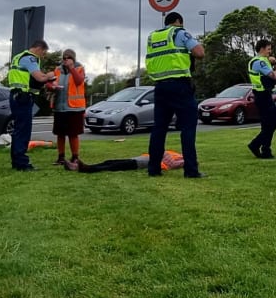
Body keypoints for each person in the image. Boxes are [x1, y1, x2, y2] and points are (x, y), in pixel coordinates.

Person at [146, 11, 205, 178]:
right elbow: (200, 53)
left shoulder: (152, 37)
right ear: (179, 21)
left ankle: (154, 169)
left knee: (159, 128)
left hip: (160, 87)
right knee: (188, 128)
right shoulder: (179, 33)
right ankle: (191, 171)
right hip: (180, 86)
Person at [7, 39, 57, 171]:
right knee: (23, 131)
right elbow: (39, 77)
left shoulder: (19, 57)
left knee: (18, 130)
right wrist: (50, 75)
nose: (44, 56)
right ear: (39, 49)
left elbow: (33, 80)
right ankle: (21, 163)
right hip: (22, 97)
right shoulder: (29, 59)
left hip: (17, 96)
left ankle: (17, 160)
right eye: (44, 53)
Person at [48, 48, 87, 166]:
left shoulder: (79, 68)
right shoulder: (57, 70)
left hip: (74, 108)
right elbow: (50, 83)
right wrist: (51, 86)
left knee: (73, 134)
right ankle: (61, 157)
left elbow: (79, 81)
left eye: (68, 58)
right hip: (60, 107)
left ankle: (75, 157)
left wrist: (71, 68)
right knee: (60, 133)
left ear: (73, 59)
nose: (65, 60)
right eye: (64, 58)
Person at [246, 39, 276, 159]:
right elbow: (274, 76)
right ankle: (256, 145)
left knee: (268, 124)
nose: (270, 52)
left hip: (265, 94)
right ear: (261, 48)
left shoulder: (265, 61)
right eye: (268, 49)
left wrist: (275, 62)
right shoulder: (259, 62)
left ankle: (266, 150)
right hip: (262, 95)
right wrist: (273, 70)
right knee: (273, 122)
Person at [64, 150, 184, 173]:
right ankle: (76, 166)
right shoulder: (174, 153)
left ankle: (86, 168)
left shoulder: (172, 159)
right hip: (134, 159)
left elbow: (175, 164)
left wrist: (187, 161)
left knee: (111, 166)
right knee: (109, 162)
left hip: (137, 164)